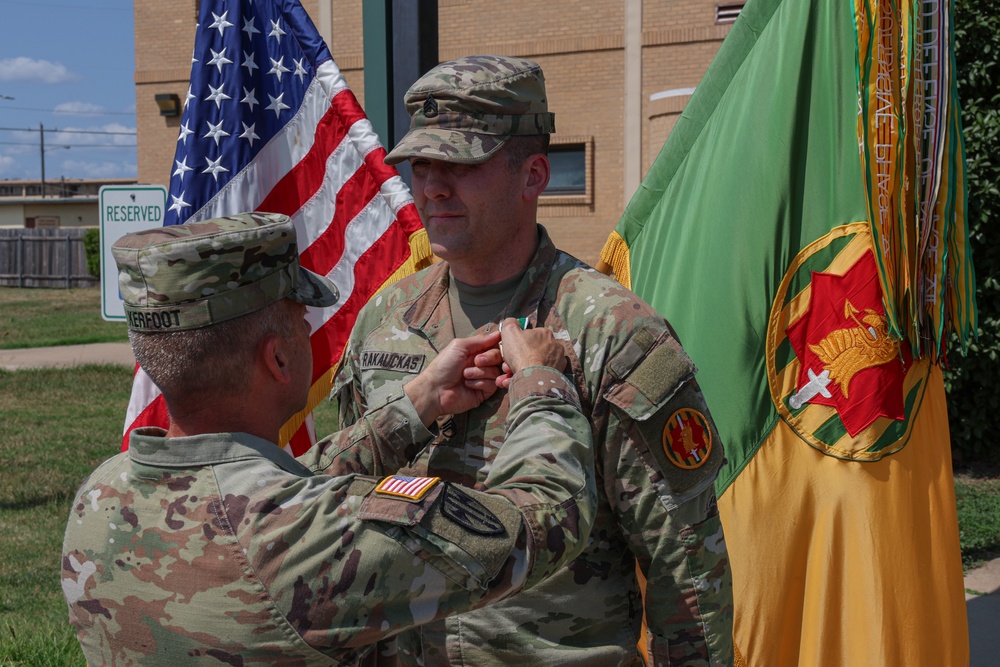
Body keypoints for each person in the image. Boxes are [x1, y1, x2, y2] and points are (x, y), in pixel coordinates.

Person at [332, 55, 734, 666]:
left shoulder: (611, 331)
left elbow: (684, 561)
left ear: (534, 175)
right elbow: (342, 511)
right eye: (420, 164)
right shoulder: (384, 319)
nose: (432, 185)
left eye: (461, 163)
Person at [61, 212, 596, 665]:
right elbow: (545, 521)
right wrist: (539, 381)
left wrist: (420, 402)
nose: (309, 329)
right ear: (277, 357)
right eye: (301, 317)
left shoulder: (99, 498)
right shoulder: (306, 539)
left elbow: (276, 481)